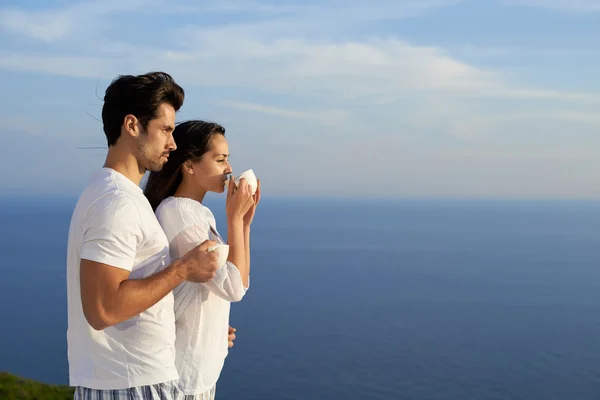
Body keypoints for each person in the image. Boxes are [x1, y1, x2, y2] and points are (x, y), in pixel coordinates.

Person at [66, 72, 222, 399]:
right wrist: (183, 270)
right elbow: (103, 308)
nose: (173, 143)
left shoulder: (117, 196)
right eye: (165, 129)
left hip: (130, 381)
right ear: (132, 125)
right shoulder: (116, 203)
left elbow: (138, 296)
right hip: (129, 386)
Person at [144, 120, 261, 399]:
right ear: (189, 165)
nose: (229, 169)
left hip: (198, 372)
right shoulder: (178, 213)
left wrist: (243, 225)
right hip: (181, 378)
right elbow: (234, 288)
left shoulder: (200, 214)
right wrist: (234, 219)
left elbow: (237, 283)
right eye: (220, 160)